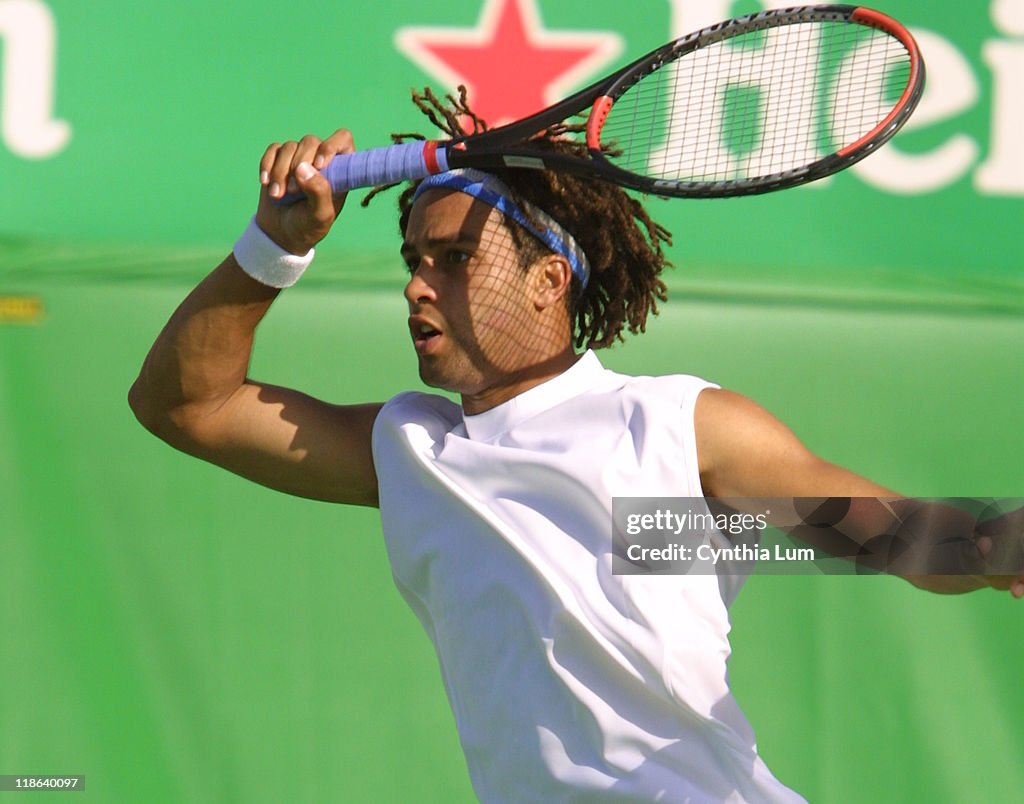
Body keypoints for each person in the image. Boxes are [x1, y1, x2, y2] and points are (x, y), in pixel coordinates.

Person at [129, 90, 1023, 802]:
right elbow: (186, 407)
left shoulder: (676, 427)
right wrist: (271, 248)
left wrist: (989, 542)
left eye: (449, 259)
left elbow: (886, 531)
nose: (414, 286)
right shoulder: (408, 449)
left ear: (549, 279)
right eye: (410, 258)